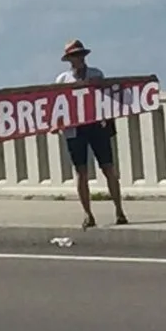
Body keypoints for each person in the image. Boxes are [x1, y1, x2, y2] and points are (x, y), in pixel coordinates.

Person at [55, 38, 127, 229]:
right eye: (73, 56)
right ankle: (88, 214)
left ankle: (119, 210)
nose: (77, 58)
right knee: (81, 171)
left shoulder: (96, 74)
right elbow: (57, 106)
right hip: (75, 129)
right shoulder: (63, 79)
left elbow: (106, 98)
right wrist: (56, 123)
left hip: (96, 125)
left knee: (108, 168)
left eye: (79, 55)